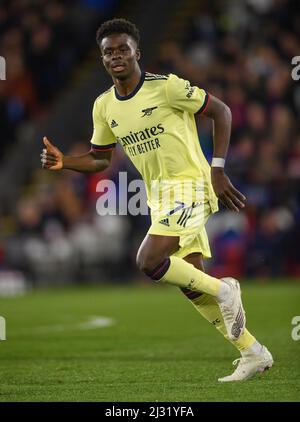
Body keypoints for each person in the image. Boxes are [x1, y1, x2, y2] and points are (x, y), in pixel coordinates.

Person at [41, 18, 273, 382]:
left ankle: (227, 290)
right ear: (102, 59)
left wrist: (218, 170)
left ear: (137, 52)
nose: (116, 56)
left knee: (148, 260)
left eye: (122, 49)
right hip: (160, 198)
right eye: (108, 52)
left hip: (193, 186)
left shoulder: (166, 88)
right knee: (192, 284)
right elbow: (100, 158)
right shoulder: (104, 106)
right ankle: (252, 351)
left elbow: (221, 112)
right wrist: (65, 162)